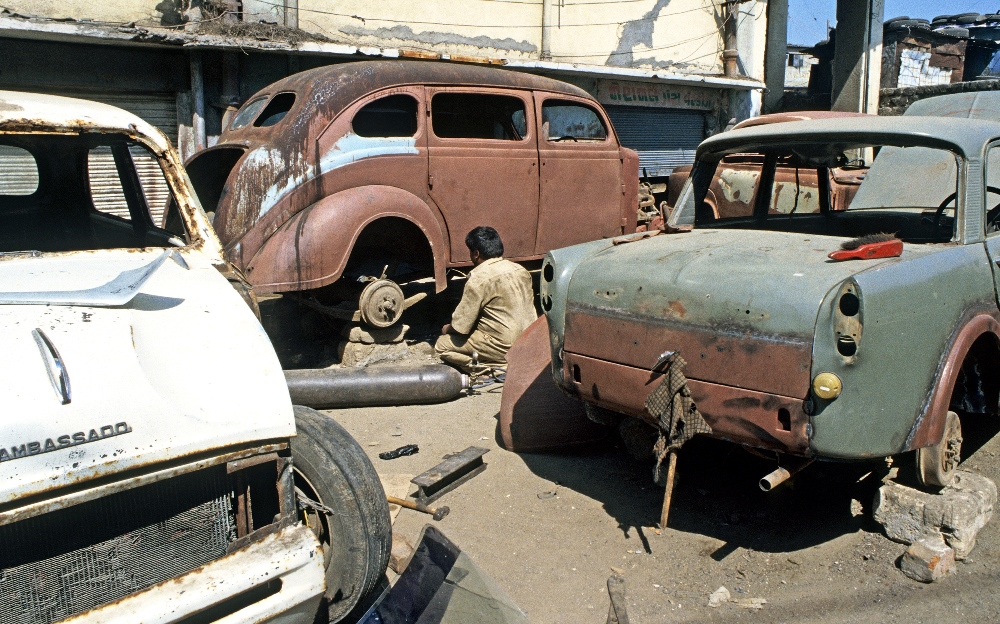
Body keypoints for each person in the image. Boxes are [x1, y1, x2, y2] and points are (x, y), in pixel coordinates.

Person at [435, 226, 536, 373]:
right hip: (529, 343)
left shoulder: (478, 278)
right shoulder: (520, 270)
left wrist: (446, 329)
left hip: (503, 347)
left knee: (441, 346)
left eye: (471, 252)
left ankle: (489, 367)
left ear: (476, 253)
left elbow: (461, 327)